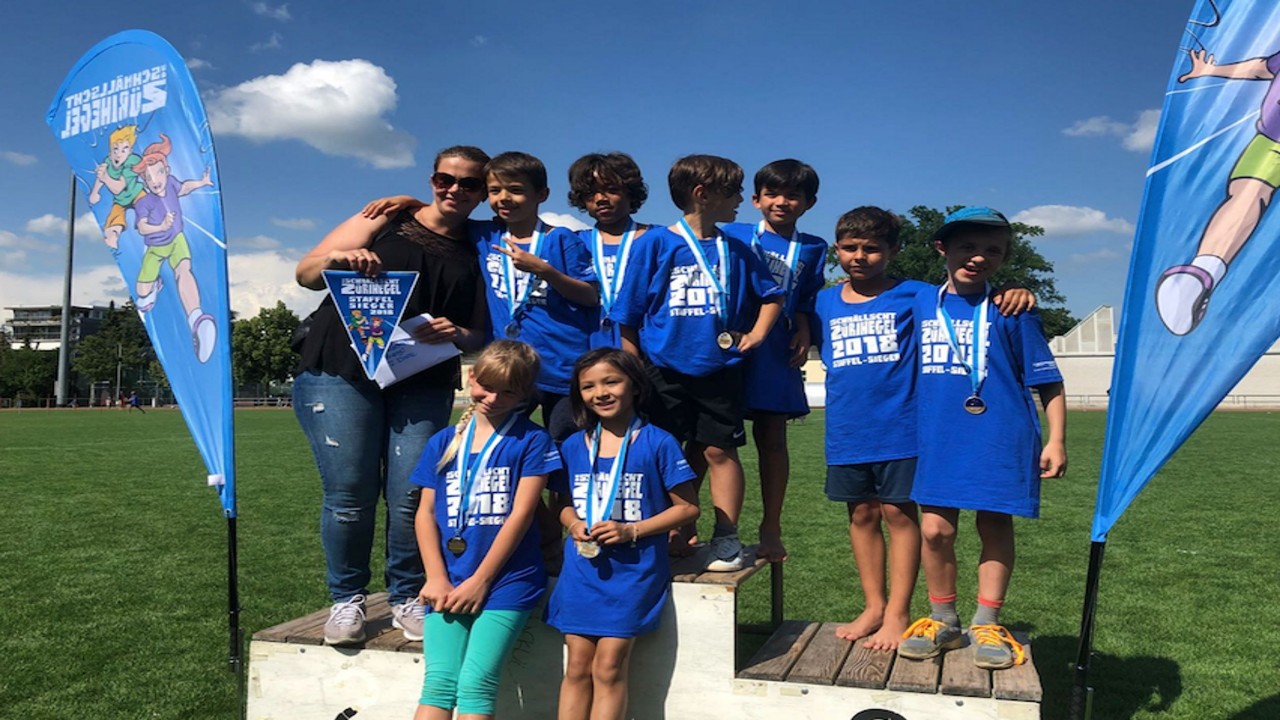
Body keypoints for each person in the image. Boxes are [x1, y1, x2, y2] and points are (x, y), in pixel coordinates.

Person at [292, 145, 492, 646]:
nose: (455, 190)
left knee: (411, 496)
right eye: (446, 179)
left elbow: (480, 334)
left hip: (421, 378)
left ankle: (407, 596)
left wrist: (457, 334)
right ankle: (347, 599)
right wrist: (339, 258)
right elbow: (307, 273)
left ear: (484, 193)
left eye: (469, 184)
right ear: (432, 179)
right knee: (349, 494)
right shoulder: (385, 218)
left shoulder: (479, 246)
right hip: (341, 370)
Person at [813, 206, 1035, 649]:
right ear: (837, 249)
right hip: (847, 430)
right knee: (860, 515)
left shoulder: (916, 294)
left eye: (872, 248)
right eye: (850, 247)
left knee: (899, 515)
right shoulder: (821, 301)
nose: (860, 256)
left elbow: (968, 296)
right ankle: (873, 606)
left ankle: (898, 612)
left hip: (903, 428)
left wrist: (1016, 290)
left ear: (894, 251)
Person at [898, 207, 1066, 670]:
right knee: (935, 530)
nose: (978, 257)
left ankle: (987, 622)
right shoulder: (919, 301)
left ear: (1004, 257)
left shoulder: (1013, 309)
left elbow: (1048, 381)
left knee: (994, 525)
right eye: (968, 247)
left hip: (1001, 436)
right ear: (942, 249)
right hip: (940, 437)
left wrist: (1056, 440)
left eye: (993, 250)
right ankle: (943, 620)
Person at [612, 154, 783, 571]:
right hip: (662, 370)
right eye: (734, 191)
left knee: (720, 451)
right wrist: (634, 371)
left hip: (720, 368)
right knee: (662, 455)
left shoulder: (737, 248)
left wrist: (758, 335)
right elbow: (628, 315)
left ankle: (726, 535)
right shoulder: (654, 243)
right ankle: (666, 530)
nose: (741, 199)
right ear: (703, 194)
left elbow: (772, 296)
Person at [410, 340, 561, 720]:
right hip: (448, 578)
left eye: (508, 392)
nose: (493, 399)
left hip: (508, 579)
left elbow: (521, 515)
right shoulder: (443, 441)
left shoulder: (532, 440)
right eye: (487, 387)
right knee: (439, 683)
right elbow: (425, 513)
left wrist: (481, 580)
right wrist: (435, 576)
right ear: (472, 378)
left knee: (477, 684)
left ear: (525, 394)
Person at [546, 348, 699, 720]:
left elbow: (688, 508)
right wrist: (573, 524)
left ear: (635, 386)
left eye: (611, 382)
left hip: (633, 573)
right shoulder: (573, 445)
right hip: (582, 573)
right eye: (588, 386)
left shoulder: (657, 442)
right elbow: (562, 504)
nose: (600, 393)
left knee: (609, 665)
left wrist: (632, 530)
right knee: (577, 665)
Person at [721, 159, 828, 562]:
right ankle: (693, 527)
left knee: (772, 438)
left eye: (793, 196)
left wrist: (803, 328)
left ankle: (771, 526)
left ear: (809, 202)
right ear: (756, 199)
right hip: (731, 344)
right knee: (710, 440)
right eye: (772, 194)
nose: (782, 202)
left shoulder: (813, 247)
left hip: (776, 349)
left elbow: (805, 298)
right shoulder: (732, 232)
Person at [476, 151, 599, 442]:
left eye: (516, 190)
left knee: (566, 444)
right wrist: (406, 201)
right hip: (510, 368)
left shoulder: (561, 239)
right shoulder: (484, 235)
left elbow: (591, 296)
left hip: (561, 364)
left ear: (541, 194)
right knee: (501, 443)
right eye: (495, 190)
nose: (504, 198)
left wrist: (545, 271)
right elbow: (440, 216)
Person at [1157, 47, 1280, 335]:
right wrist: (1211, 70)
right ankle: (1200, 275)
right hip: (1272, 141)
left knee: (1249, 193)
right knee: (1247, 193)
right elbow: (1260, 68)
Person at [565, 152, 653, 350]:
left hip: (647, 349)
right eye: (590, 193)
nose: (600, 199)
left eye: (611, 190)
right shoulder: (575, 243)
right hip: (591, 348)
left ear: (631, 192)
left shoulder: (658, 239)